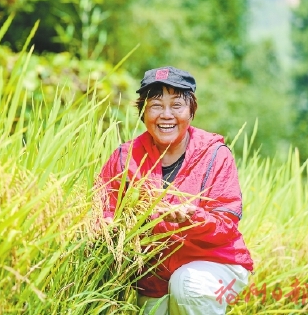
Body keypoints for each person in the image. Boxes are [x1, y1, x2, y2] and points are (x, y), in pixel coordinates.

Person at [97, 66, 254, 314]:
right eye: (156, 105)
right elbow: (104, 207)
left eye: (177, 105)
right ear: (143, 112)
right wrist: (109, 225)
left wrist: (192, 216)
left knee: (187, 285)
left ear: (191, 111)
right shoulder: (124, 157)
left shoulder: (214, 154)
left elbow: (226, 225)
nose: (166, 115)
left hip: (216, 264)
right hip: (154, 279)